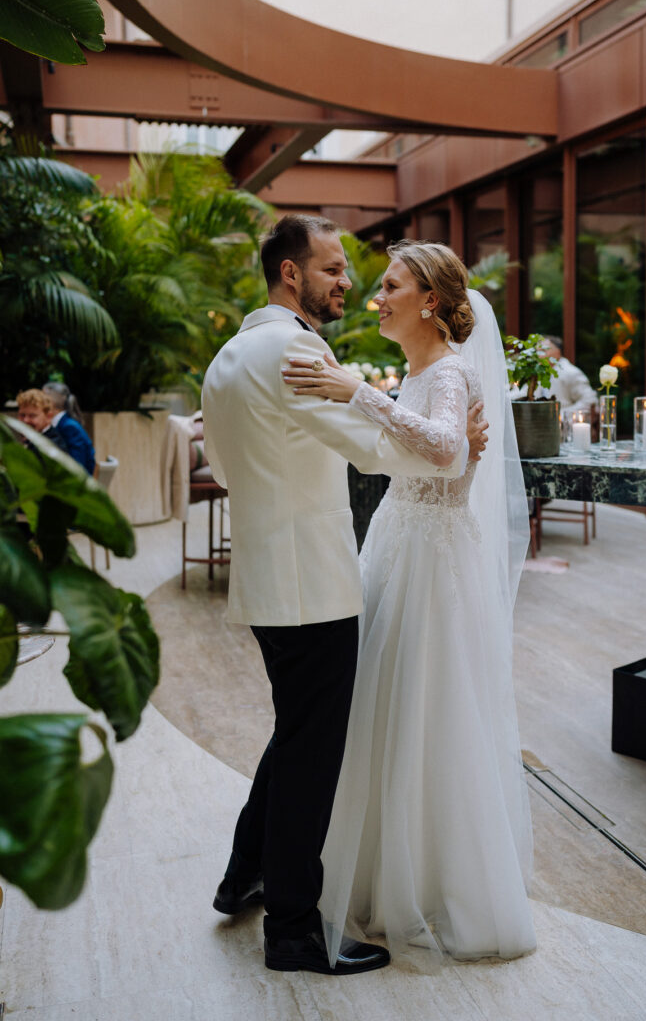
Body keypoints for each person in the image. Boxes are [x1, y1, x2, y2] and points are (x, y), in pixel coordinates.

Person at [201, 215, 488, 977]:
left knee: (296, 732)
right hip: (313, 585)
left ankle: (243, 875)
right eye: (332, 269)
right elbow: (370, 451)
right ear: (291, 273)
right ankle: (294, 930)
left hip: (266, 577)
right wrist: (450, 448)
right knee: (311, 754)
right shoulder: (297, 347)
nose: (348, 284)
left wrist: (440, 437)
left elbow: (226, 470)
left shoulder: (229, 354)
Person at [282, 240, 536, 964]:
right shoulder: (420, 369)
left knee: (425, 706)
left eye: (390, 286)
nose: (375, 298)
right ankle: (371, 866)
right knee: (382, 705)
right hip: (397, 542)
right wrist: (372, 397)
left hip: (429, 561)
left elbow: (448, 448)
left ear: (430, 299)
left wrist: (354, 392)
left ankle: (422, 878)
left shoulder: (449, 369)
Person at [513, 335, 596, 419]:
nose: (539, 355)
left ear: (558, 352)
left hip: (563, 426)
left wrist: (563, 415)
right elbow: (520, 394)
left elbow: (589, 400)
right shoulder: (535, 373)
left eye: (543, 351)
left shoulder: (571, 373)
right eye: (537, 352)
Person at [42, 382, 96, 474]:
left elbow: (77, 465)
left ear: (51, 402)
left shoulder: (69, 426)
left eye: (41, 398)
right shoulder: (64, 423)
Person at [15, 388, 68, 453]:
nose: (25, 420)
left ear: (49, 416)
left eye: (32, 416)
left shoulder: (51, 449)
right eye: (22, 415)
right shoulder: (33, 440)